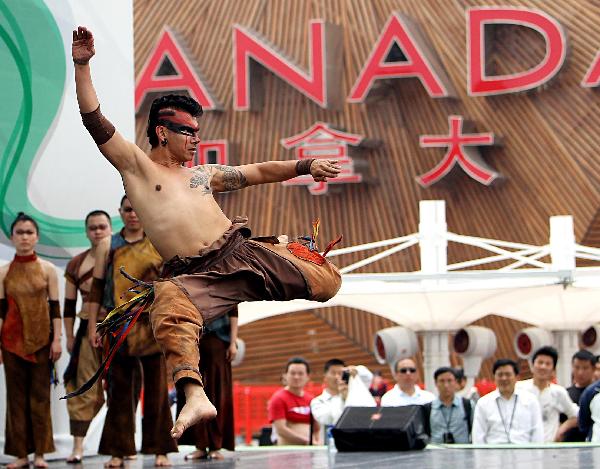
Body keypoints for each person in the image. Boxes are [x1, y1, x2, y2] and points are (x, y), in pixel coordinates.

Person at [71, 26, 342, 439]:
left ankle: (287, 251)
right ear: (163, 131)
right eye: (189, 132)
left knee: (328, 281)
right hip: (197, 275)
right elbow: (94, 120)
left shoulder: (202, 175)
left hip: (243, 253)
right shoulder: (138, 170)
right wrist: (82, 65)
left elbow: (259, 172)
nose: (197, 139)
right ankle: (194, 395)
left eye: (199, 132)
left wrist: (306, 166)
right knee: (167, 303)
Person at [89, 196, 176, 467]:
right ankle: (118, 450)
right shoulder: (108, 244)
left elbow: (170, 286)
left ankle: (160, 448)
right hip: (118, 326)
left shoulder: (159, 241)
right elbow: (97, 287)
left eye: (138, 209)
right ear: (120, 212)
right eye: (128, 210)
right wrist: (95, 324)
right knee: (120, 390)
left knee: (157, 390)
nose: (133, 214)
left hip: (151, 325)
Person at [0, 213, 62, 468]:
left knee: (40, 398)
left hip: (41, 342)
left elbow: (56, 309)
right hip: (11, 343)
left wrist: (57, 340)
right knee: (15, 400)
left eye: (29, 232)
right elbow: (0, 312)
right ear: (12, 237)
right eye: (19, 232)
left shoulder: (47, 270)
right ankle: (21, 455)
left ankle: (39, 454)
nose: (24, 237)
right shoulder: (3, 272)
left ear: (36, 237)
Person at [63, 210, 112, 463]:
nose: (97, 232)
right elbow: (69, 304)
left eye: (102, 227)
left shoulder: (119, 255)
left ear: (110, 228)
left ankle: (119, 448)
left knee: (120, 388)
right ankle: (78, 447)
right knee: (82, 389)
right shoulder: (76, 264)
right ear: (86, 231)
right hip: (87, 328)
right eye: (92, 228)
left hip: (120, 328)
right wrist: (68, 336)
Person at [176, 307, 239, 461]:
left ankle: (216, 446)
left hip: (218, 340)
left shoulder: (227, 283)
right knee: (193, 390)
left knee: (216, 392)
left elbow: (233, 312)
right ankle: (200, 446)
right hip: (192, 338)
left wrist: (233, 342)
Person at [472, 359, 544, 444]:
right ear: (494, 377)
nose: (504, 378)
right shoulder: (483, 403)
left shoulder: (530, 400)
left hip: (524, 454)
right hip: (494, 455)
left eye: (508, 374)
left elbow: (537, 432)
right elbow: (478, 436)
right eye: (500, 375)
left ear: (517, 377)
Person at [517, 346, 578, 442]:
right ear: (532, 366)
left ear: (553, 370)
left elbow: (576, 415)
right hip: (523, 446)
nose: (543, 367)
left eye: (548, 364)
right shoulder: (518, 388)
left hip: (549, 449)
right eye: (540, 362)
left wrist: (562, 429)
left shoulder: (559, 392)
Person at [310, 359, 374, 432]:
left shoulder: (354, 393)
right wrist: (343, 399)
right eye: (333, 373)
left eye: (340, 373)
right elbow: (329, 419)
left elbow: (368, 376)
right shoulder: (318, 402)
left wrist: (356, 370)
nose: (337, 377)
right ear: (325, 377)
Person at [268, 357, 320, 445]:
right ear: (285, 375)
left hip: (310, 451)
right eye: (292, 373)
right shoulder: (278, 398)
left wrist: (316, 443)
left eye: (300, 373)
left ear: (307, 377)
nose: (296, 377)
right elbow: (281, 430)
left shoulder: (311, 400)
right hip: (288, 451)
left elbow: (317, 427)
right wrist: (307, 441)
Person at [423, 367, 472, 444]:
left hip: (463, 453)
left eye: (449, 381)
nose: (446, 385)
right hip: (436, 453)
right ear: (436, 383)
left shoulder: (467, 405)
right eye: (442, 381)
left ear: (455, 382)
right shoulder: (428, 408)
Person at [562, 350, 596, 442]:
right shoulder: (565, 393)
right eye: (577, 367)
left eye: (585, 368)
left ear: (593, 369)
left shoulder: (596, 394)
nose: (580, 372)